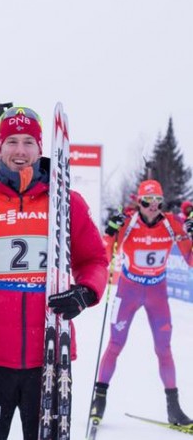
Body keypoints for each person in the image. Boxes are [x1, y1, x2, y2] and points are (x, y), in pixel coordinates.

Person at [0, 106, 108, 439]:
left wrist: (85, 292)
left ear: (41, 149)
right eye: (11, 141)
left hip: (49, 360)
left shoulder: (66, 204)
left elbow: (95, 260)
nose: (20, 151)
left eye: (29, 142)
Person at [91, 179, 193, 426]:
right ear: (139, 202)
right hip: (129, 290)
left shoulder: (171, 223)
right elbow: (104, 255)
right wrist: (109, 232)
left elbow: (190, 259)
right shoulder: (127, 222)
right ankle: (99, 399)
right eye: (147, 201)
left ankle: (174, 407)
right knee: (115, 344)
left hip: (157, 292)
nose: (152, 206)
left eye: (158, 201)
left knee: (164, 349)